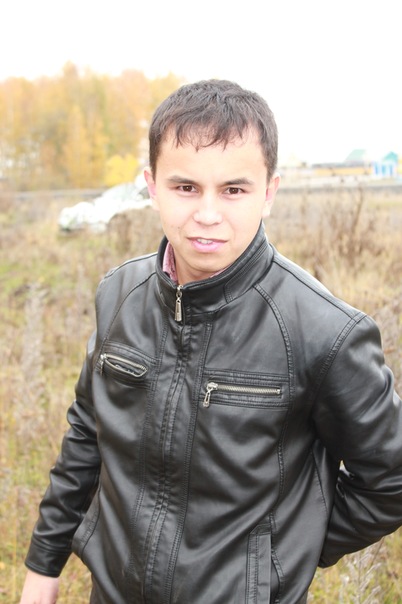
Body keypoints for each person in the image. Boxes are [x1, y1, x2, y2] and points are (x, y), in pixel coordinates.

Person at [20, 79, 402, 604]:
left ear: (269, 192)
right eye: (185, 187)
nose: (207, 214)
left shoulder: (324, 331)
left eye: (233, 190)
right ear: (151, 186)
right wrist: (42, 567)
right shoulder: (119, 295)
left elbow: (390, 479)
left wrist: (274, 560)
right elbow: (88, 434)